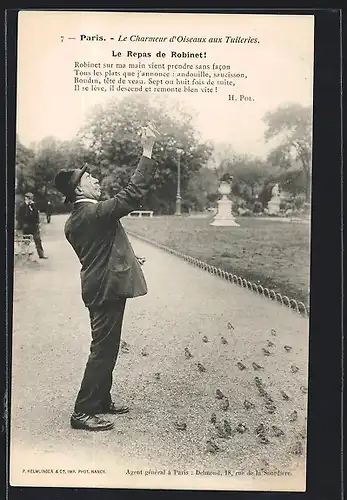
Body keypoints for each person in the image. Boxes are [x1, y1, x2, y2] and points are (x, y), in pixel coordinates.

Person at [54, 124, 160, 431]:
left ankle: (101, 401)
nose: (96, 180)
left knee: (108, 346)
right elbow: (132, 194)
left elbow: (100, 247)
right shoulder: (92, 213)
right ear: (78, 190)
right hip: (105, 289)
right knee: (102, 349)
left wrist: (127, 256)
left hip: (100, 284)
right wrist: (147, 151)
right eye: (90, 178)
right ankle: (82, 411)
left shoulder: (80, 218)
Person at [16, 192, 48, 259]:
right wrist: (21, 226)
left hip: (34, 226)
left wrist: (38, 223)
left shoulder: (34, 205)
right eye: (29, 198)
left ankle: (41, 255)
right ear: (26, 198)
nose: (31, 200)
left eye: (32, 198)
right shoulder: (22, 206)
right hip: (26, 227)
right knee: (26, 241)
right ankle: (25, 255)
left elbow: (36, 215)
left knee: (38, 240)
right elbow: (19, 217)